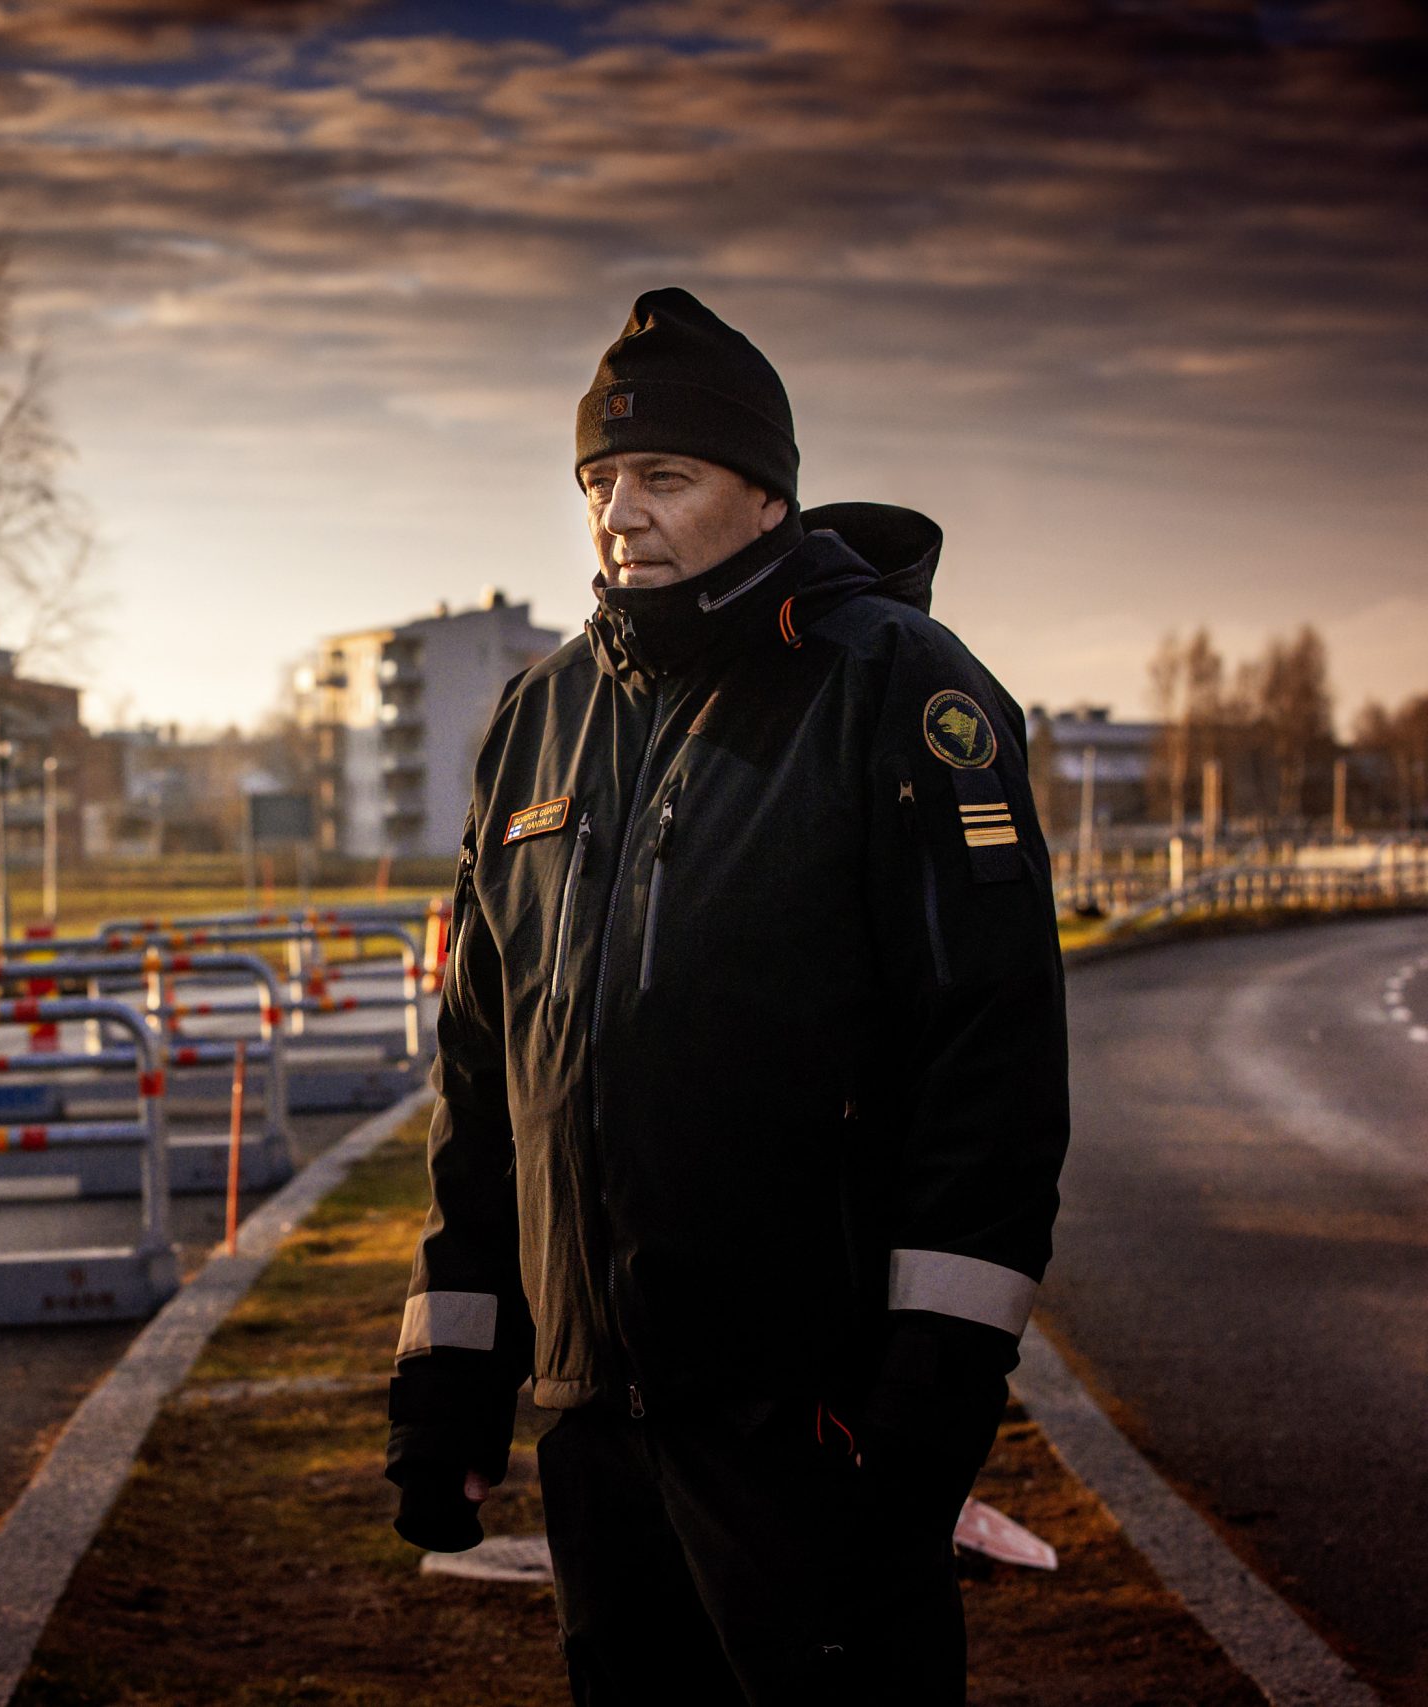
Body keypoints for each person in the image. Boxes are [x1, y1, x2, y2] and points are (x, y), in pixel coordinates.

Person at [385, 288, 1069, 1704]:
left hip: (809, 1423)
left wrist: (932, 1392)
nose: (617, 513)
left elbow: (990, 1070)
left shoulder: (899, 690)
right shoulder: (537, 718)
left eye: (662, 476)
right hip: (592, 1421)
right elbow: (481, 1079)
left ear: (766, 492)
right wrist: (455, 1364)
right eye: (598, 479)